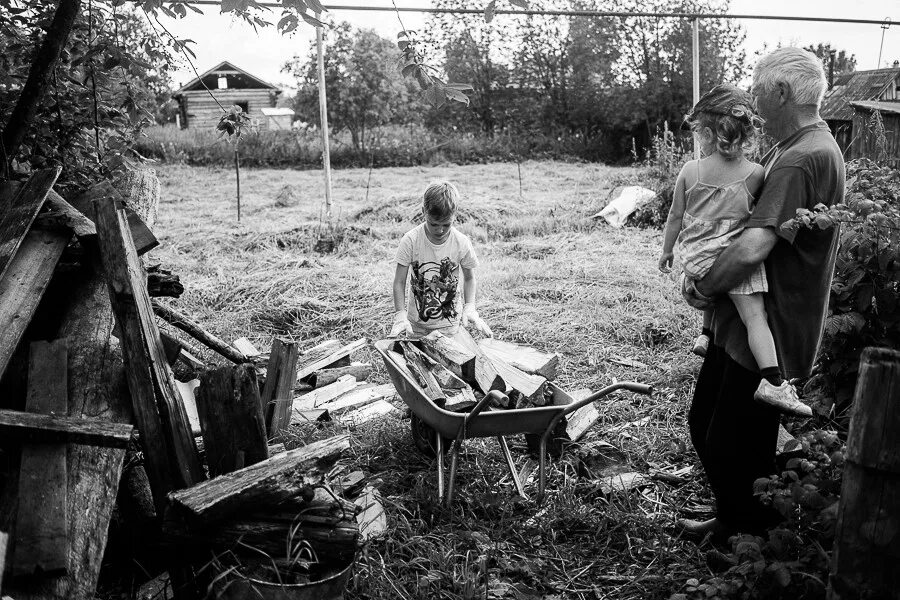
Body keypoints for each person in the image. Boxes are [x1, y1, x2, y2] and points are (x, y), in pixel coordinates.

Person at [678, 47, 845, 540]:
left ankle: (748, 540)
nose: (751, 99)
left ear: (780, 92)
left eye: (757, 89)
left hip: (767, 326)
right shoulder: (809, 145)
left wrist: (705, 286)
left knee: (730, 443)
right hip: (749, 324)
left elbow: (753, 246)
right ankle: (732, 519)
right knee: (711, 427)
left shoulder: (798, 159)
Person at [659, 83, 811, 418]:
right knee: (755, 316)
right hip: (730, 257)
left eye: (699, 132)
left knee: (716, 286)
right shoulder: (755, 173)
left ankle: (705, 334)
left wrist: (668, 252)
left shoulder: (689, 171)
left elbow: (674, 216)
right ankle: (773, 381)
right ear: (745, 134)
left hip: (696, 259)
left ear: (708, 133)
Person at [390, 180, 493, 339]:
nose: (440, 230)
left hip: (449, 324)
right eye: (434, 224)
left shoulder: (461, 242)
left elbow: (470, 278)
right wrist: (400, 314)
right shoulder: (411, 240)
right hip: (416, 325)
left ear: (455, 213)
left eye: (446, 224)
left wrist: (470, 307)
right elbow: (399, 281)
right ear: (424, 211)